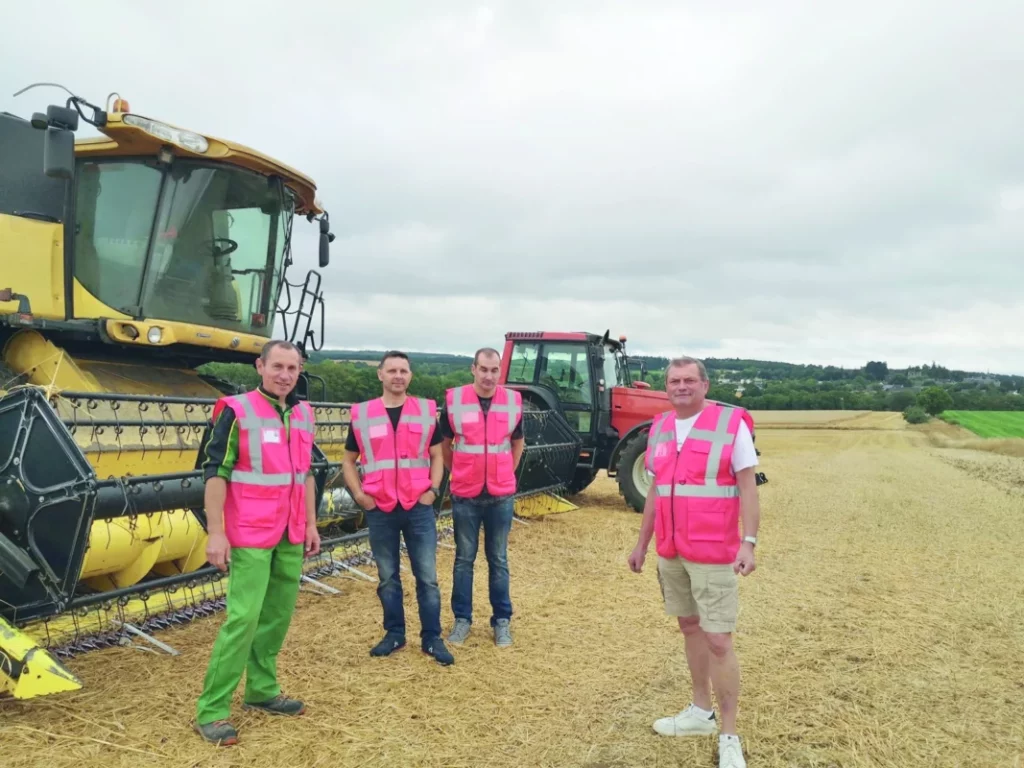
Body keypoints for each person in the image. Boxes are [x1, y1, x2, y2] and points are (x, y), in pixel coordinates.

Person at [627, 356, 761, 768]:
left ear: (704, 385)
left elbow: (747, 486)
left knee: (718, 639)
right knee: (689, 627)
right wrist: (642, 543)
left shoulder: (730, 424)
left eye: (688, 380)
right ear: (666, 387)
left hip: (714, 551)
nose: (680, 386)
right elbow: (654, 490)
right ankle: (701, 713)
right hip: (672, 549)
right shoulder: (661, 428)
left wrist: (749, 542)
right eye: (674, 381)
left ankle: (730, 735)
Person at [193, 339, 321, 747]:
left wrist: (312, 524)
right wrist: (216, 532)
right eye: (278, 366)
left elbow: (306, 474)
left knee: (277, 616)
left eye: (293, 368)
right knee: (243, 618)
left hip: (290, 532)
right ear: (260, 366)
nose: (285, 375)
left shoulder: (303, 414)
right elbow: (216, 473)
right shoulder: (236, 410)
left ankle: (262, 690)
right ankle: (212, 709)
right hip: (249, 533)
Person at [342, 351, 453, 665]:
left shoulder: (424, 411)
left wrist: (432, 490)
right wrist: (360, 496)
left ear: (410, 376)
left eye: (404, 370)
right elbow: (348, 461)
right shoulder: (363, 415)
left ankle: (432, 638)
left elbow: (437, 455)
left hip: (417, 505)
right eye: (392, 370)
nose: (398, 376)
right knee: (388, 576)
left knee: (427, 577)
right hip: (380, 508)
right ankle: (394, 634)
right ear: (380, 375)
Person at [439, 347, 524, 648]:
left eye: (494, 370)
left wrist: (505, 473)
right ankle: (462, 620)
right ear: (473, 369)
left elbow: (517, 442)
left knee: (498, 560)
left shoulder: (513, 401)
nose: (489, 376)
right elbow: (445, 444)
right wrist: (459, 471)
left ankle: (502, 620)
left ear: (499, 371)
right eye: (483, 369)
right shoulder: (454, 400)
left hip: (500, 494)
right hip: (466, 494)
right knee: (464, 559)